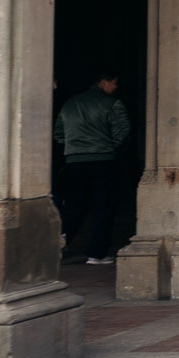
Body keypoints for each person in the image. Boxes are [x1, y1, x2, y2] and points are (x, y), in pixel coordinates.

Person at [54, 70, 132, 266]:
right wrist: (109, 146)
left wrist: (74, 147)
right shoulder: (112, 103)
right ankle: (96, 254)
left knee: (73, 206)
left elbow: (58, 133)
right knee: (103, 207)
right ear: (104, 82)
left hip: (73, 161)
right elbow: (123, 131)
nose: (115, 88)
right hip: (102, 160)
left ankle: (56, 247)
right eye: (114, 83)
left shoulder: (70, 104)